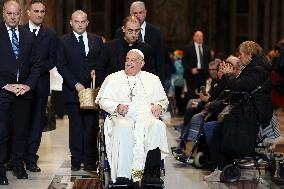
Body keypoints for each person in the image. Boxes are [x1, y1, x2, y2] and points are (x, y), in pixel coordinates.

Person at [96, 49, 169, 184]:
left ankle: (151, 173)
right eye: (127, 59)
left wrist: (159, 106)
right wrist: (117, 107)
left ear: (142, 64)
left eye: (133, 60)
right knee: (123, 129)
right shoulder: (113, 78)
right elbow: (102, 100)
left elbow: (163, 101)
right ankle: (123, 176)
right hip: (121, 117)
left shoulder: (153, 79)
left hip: (146, 118)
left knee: (158, 125)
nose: (129, 63)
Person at [204, 41, 273, 182]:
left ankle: (223, 168)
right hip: (245, 111)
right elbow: (235, 89)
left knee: (217, 132)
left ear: (249, 54)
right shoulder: (253, 67)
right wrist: (226, 77)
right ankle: (222, 167)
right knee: (217, 131)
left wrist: (229, 75)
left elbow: (240, 86)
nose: (239, 57)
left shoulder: (258, 69)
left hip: (251, 114)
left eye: (241, 54)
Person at [57, 10, 103, 171]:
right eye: (77, 21)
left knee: (91, 127)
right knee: (76, 127)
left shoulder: (97, 40)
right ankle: (76, 160)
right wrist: (75, 84)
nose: (80, 24)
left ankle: (90, 161)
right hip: (72, 91)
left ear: (87, 23)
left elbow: (101, 61)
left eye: (83, 21)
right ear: (71, 22)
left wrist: (96, 71)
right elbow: (61, 66)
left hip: (92, 91)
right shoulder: (62, 41)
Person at [0, 0, 41, 184]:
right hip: (3, 91)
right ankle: (0, 169)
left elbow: (36, 65)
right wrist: (5, 85)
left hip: (23, 93)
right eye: (9, 13)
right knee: (2, 133)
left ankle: (18, 165)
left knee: (20, 132)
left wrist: (28, 85)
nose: (13, 17)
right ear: (3, 14)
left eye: (16, 13)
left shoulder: (29, 36)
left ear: (21, 14)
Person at [24, 0, 57, 172]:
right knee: (20, 123)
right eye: (36, 11)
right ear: (28, 13)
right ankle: (16, 158)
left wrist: (36, 70)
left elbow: (53, 59)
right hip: (21, 86)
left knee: (37, 124)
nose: (39, 14)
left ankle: (31, 159)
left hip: (41, 86)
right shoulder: (20, 31)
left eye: (42, 11)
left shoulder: (50, 35)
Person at [114, 1, 165, 84]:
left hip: (148, 79)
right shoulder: (120, 32)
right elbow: (116, 57)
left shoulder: (155, 32)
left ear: (145, 13)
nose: (138, 15)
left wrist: (160, 82)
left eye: (140, 13)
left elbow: (159, 59)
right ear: (130, 14)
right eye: (135, 13)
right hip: (125, 79)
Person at [96, 15, 155, 86]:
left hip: (138, 90)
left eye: (137, 30)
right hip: (114, 90)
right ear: (123, 29)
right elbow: (100, 69)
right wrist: (106, 87)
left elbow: (150, 73)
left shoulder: (146, 49)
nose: (134, 34)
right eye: (130, 31)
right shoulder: (110, 47)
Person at [182, 31, 212, 100]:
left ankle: (200, 109)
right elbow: (184, 62)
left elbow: (209, 62)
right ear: (194, 37)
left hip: (203, 74)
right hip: (191, 74)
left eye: (201, 36)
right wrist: (190, 69)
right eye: (198, 36)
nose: (200, 38)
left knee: (202, 94)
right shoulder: (188, 48)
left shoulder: (207, 49)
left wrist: (209, 76)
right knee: (191, 95)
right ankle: (191, 109)